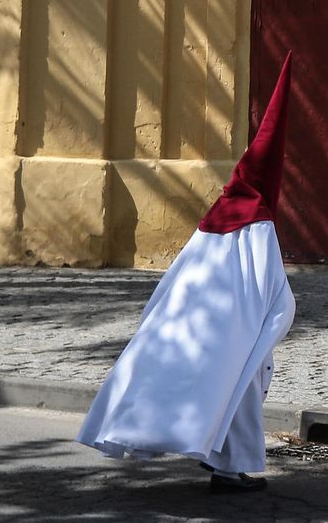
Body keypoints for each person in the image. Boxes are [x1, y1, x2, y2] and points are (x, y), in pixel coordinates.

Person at [78, 54, 298, 494]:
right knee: (240, 387)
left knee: (226, 386)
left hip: (204, 323)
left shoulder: (219, 215)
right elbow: (264, 284)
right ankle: (227, 466)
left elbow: (181, 274)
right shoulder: (258, 224)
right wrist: (278, 313)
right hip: (231, 328)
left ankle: (224, 465)